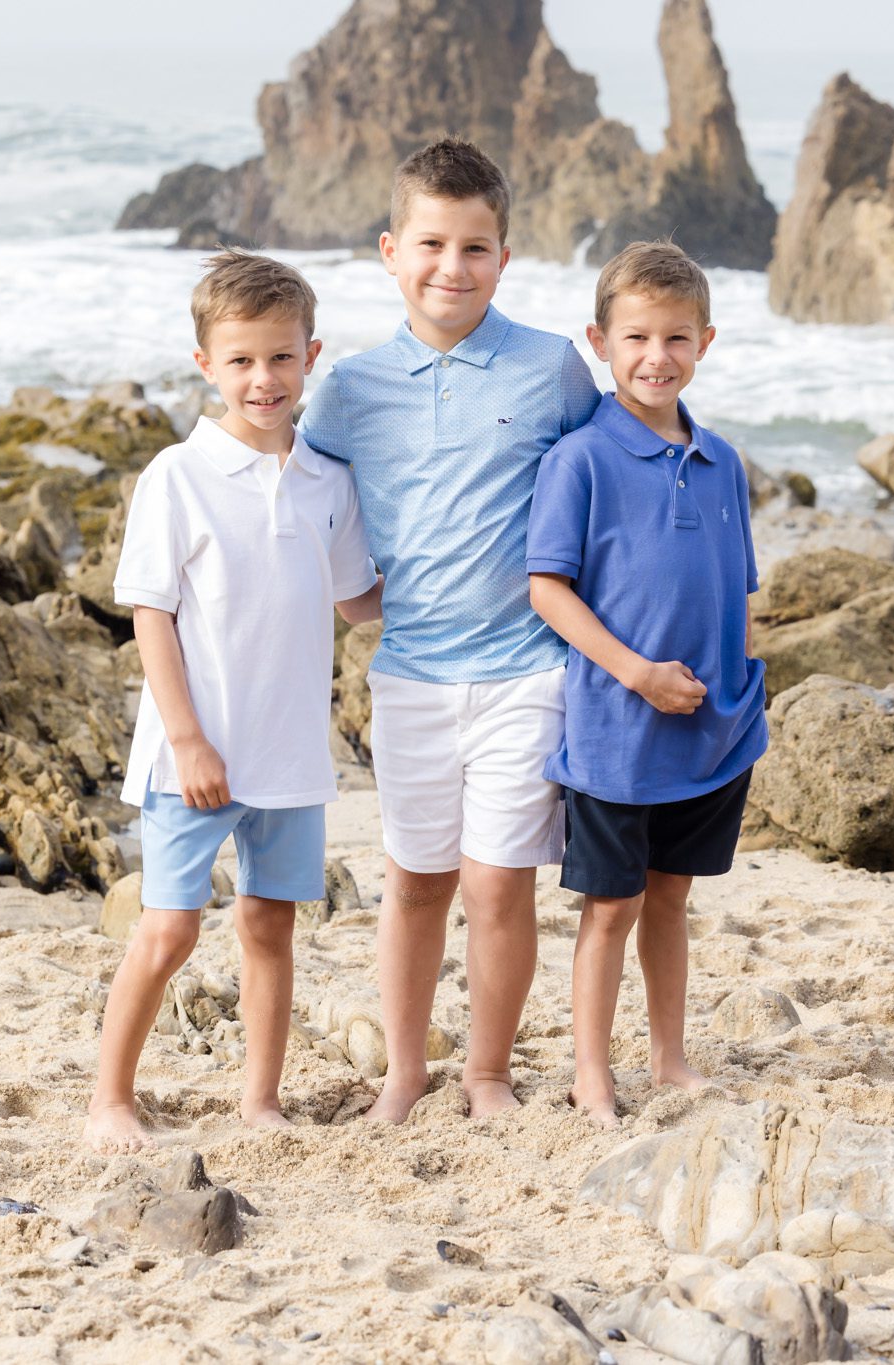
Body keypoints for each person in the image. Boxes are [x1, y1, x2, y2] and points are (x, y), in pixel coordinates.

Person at [301, 138, 600, 1122]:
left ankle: (485, 1073)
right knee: (416, 882)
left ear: (503, 258)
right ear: (390, 250)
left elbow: (602, 485)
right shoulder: (349, 389)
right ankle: (400, 1074)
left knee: (496, 883)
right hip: (410, 674)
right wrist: (349, 598)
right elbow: (304, 495)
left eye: (474, 248)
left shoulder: (550, 369)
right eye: (430, 244)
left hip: (526, 670)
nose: (450, 267)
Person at [85, 250, 381, 1153]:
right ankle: (110, 1098)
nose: (264, 378)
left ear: (312, 355)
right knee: (169, 930)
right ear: (207, 364)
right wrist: (187, 739)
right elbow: (151, 613)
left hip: (290, 753)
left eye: (282, 359)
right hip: (194, 754)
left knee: (268, 926)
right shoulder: (177, 475)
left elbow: (358, 599)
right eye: (243, 360)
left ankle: (261, 1099)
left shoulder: (328, 482)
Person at [524, 240, 768, 1127]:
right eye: (635, 338)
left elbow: (739, 586)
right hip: (615, 733)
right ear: (600, 340)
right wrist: (635, 672)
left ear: (705, 341)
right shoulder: (582, 459)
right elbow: (546, 586)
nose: (654, 357)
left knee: (673, 894)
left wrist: (739, 689)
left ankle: (668, 1056)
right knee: (612, 904)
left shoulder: (725, 462)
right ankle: (593, 1070)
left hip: (712, 728)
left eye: (675, 337)